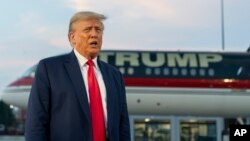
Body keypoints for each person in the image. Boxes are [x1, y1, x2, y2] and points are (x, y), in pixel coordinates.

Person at [25, 11, 131, 141]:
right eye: (88, 30)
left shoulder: (115, 75)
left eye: (98, 30)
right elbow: (36, 123)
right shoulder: (49, 69)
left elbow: (123, 125)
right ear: (72, 37)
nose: (94, 34)